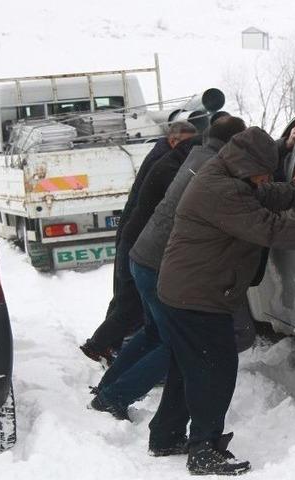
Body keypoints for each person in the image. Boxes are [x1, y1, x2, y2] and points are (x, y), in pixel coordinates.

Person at [152, 127, 295, 475]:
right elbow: (269, 228)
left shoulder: (226, 173)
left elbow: (263, 195)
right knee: (214, 371)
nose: (265, 179)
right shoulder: (222, 189)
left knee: (188, 369)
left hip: (185, 291)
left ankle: (166, 435)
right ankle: (203, 448)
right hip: (197, 296)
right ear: (247, 164)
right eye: (263, 171)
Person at [89, 116, 247, 422]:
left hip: (144, 257)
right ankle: (115, 397)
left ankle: (107, 389)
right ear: (233, 144)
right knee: (177, 343)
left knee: (153, 334)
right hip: (161, 264)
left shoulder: (198, 155)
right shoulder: (212, 168)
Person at [79, 121, 197, 363]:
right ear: (174, 140)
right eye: (187, 144)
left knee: (126, 298)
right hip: (138, 239)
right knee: (130, 302)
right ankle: (99, 345)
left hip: (133, 235)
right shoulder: (166, 162)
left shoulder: (163, 155)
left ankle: (105, 345)